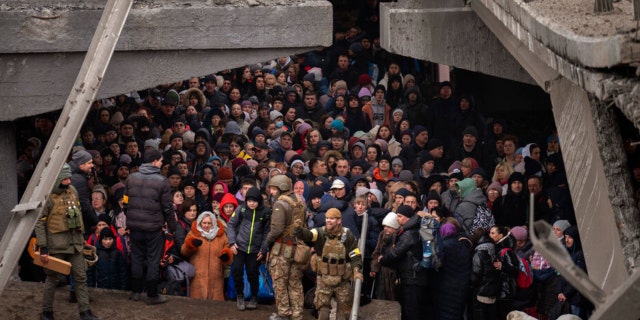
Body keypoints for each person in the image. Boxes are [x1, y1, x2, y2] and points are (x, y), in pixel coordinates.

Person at [35, 163, 101, 320]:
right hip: (56, 246)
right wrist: (43, 248)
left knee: (80, 277)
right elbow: (40, 222)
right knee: (52, 279)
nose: (69, 181)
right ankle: (47, 313)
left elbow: (78, 216)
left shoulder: (73, 191)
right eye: (65, 179)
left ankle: (85, 312)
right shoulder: (48, 197)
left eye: (69, 177)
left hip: (75, 244)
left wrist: (82, 238)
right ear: (57, 179)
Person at [124, 149, 176, 305]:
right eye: (160, 161)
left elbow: (126, 202)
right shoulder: (162, 181)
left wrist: (131, 217)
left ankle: (136, 292)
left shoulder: (131, 178)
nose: (161, 164)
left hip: (134, 227)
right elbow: (167, 208)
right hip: (153, 228)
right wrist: (172, 226)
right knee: (153, 260)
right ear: (154, 161)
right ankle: (152, 295)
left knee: (137, 258)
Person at [294, 208, 363, 320]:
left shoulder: (348, 235)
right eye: (327, 218)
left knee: (344, 311)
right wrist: (298, 229)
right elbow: (307, 235)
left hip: (342, 280)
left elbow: (355, 254)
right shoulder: (320, 233)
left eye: (332, 218)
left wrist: (356, 271)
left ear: (339, 220)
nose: (328, 221)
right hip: (324, 279)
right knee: (323, 309)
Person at [265, 175, 307, 320]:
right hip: (298, 248)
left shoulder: (280, 204)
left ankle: (283, 313)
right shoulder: (300, 200)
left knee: (280, 282)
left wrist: (266, 243)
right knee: (295, 282)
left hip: (282, 248)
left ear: (281, 187)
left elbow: (276, 229)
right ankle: (297, 314)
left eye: (273, 188)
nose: (271, 191)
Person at [380, 205, 429, 320]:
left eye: (400, 216)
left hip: (412, 278)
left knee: (411, 311)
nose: (397, 219)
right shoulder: (414, 230)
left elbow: (396, 253)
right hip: (415, 277)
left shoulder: (409, 233)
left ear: (408, 218)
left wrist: (383, 259)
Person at [227, 187, 271, 310]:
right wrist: (231, 242)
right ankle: (240, 295)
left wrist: (263, 249)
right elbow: (231, 225)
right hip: (239, 247)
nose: (251, 203)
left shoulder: (265, 212)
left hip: (255, 250)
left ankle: (254, 297)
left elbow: (267, 232)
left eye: (254, 201)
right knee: (237, 271)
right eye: (249, 201)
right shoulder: (241, 209)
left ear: (259, 201)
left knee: (253, 273)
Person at [181, 211, 233, 301]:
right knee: (196, 305)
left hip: (216, 275)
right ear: (200, 222)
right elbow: (184, 252)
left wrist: (226, 255)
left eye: (209, 223)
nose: (206, 225)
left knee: (216, 306)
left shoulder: (221, 235)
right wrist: (191, 245)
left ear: (213, 223)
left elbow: (227, 249)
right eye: (204, 223)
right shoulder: (193, 234)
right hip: (198, 275)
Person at [370, 212, 400, 301]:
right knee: (380, 295)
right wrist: (374, 268)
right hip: (382, 272)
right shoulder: (382, 235)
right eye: (385, 226)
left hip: (393, 272)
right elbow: (377, 252)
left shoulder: (398, 237)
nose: (386, 229)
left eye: (389, 227)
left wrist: (398, 276)